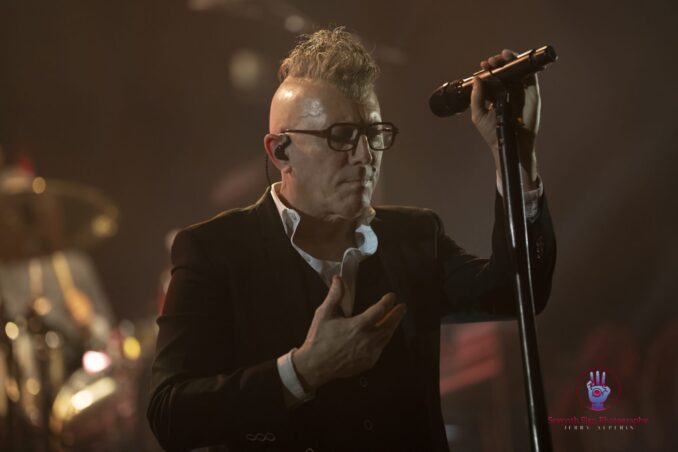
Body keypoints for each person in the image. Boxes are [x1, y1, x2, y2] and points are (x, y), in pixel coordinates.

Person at [147, 27, 556, 452]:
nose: (365, 155)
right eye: (341, 136)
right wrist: (302, 370)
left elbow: (517, 292)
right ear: (280, 151)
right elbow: (171, 415)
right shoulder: (215, 251)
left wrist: (517, 154)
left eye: (374, 134)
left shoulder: (414, 236)